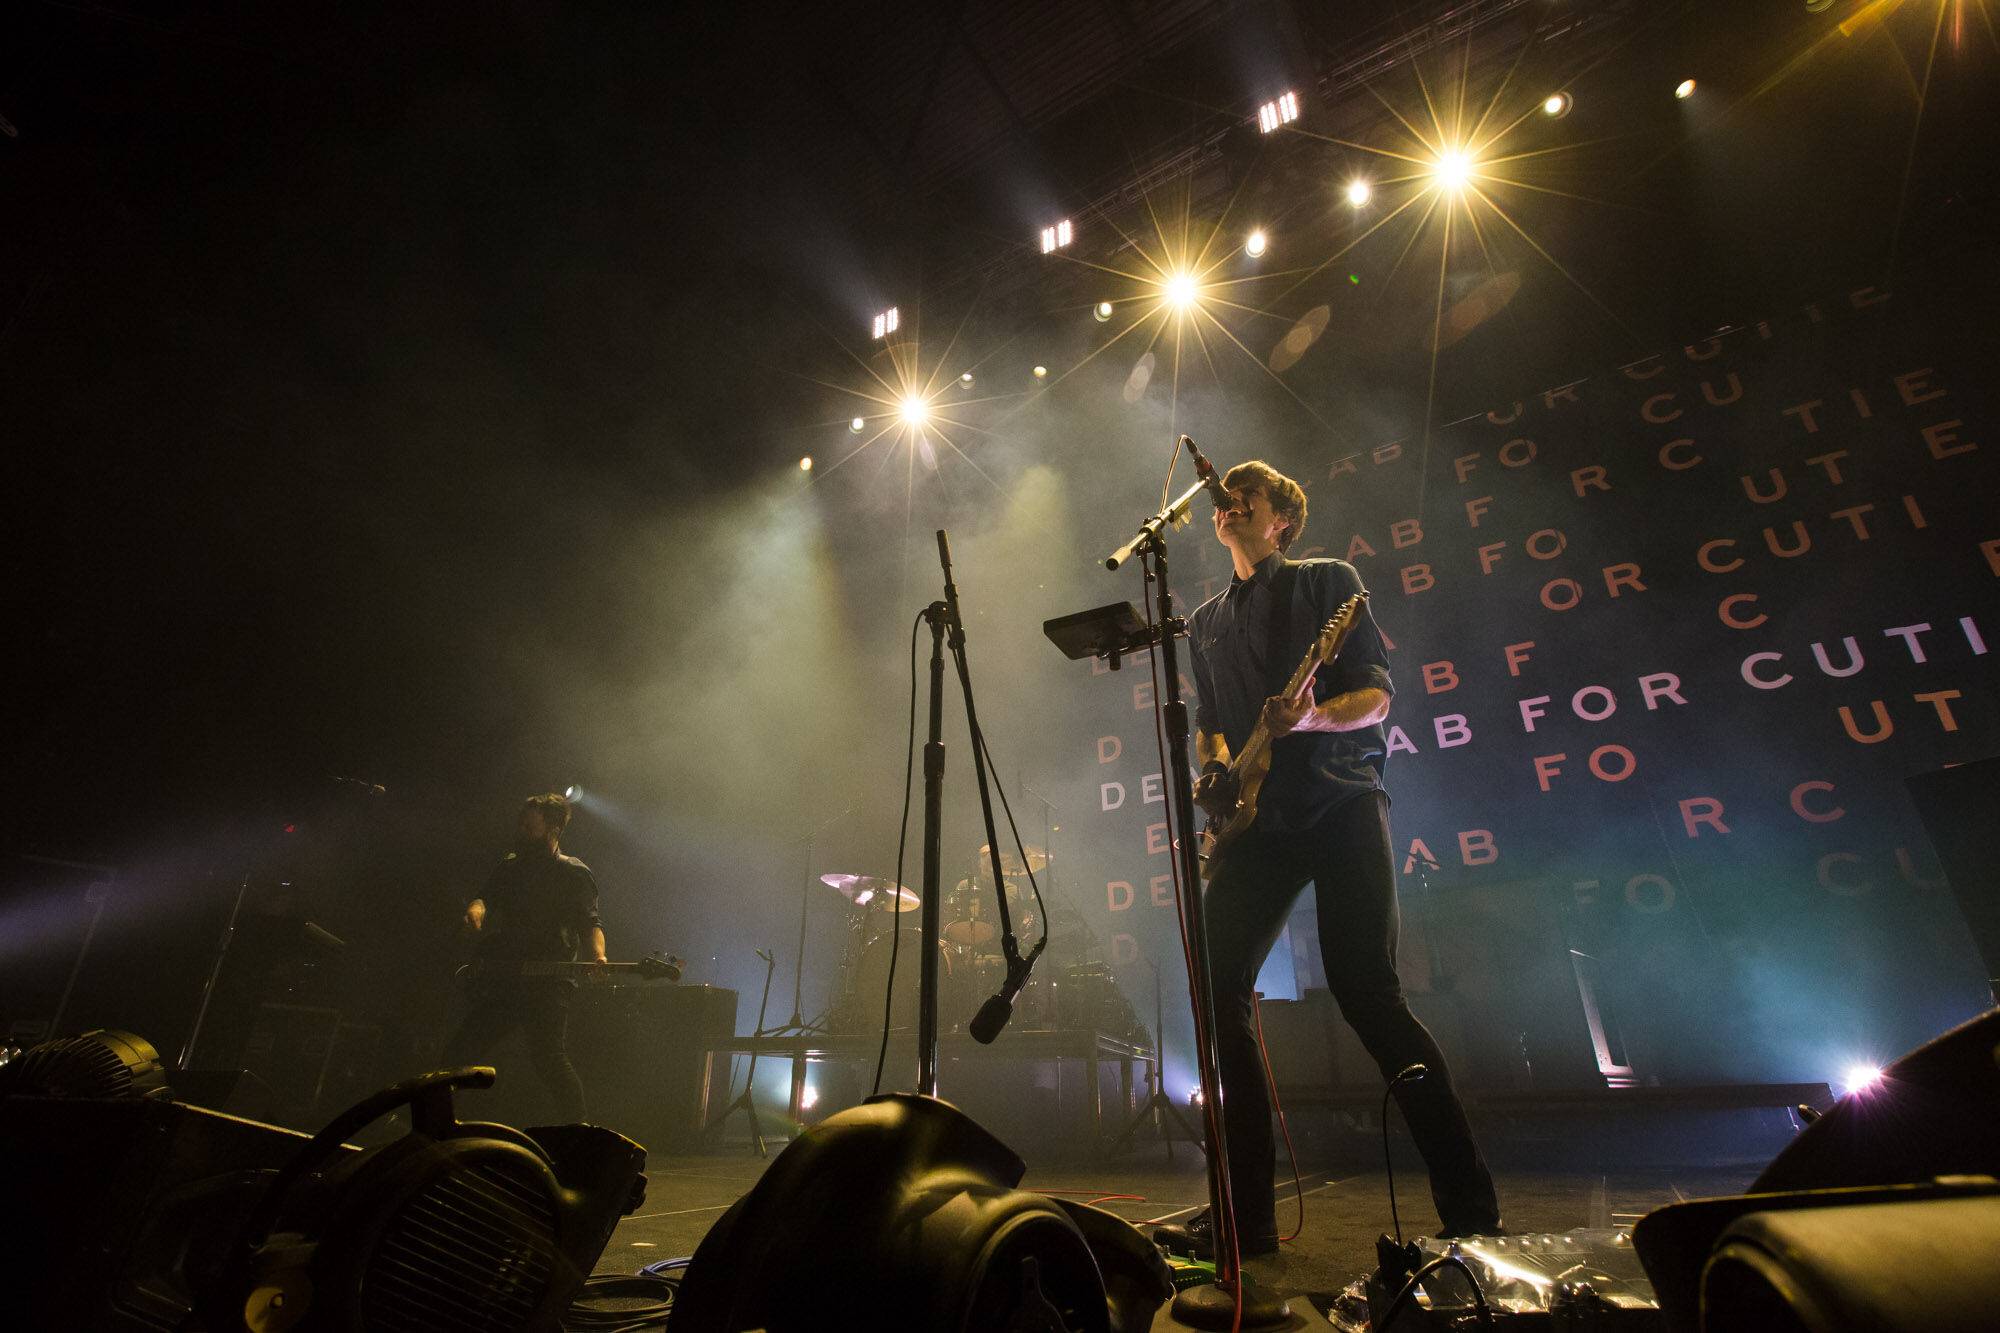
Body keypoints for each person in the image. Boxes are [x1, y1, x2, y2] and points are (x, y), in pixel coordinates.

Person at [1164, 460, 1500, 1258]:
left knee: (1367, 992)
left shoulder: (1328, 583)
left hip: (1341, 800)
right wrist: (1217, 769)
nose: (1230, 497)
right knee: (1217, 991)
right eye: (1226, 491)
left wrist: (1310, 718)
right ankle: (1248, 1218)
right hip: (1259, 822)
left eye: (1252, 491)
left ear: (1282, 518)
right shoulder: (1205, 619)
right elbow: (1209, 722)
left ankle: (1471, 1205)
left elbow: (1377, 695)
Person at [441, 792, 605, 1122]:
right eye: (523, 823)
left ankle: (579, 1132)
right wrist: (476, 909)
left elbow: (590, 924)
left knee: (549, 1060)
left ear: (554, 827)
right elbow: (484, 898)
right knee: (461, 1050)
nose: (522, 829)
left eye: (531, 825)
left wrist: (598, 956)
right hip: (508, 978)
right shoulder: (510, 866)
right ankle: (436, 1122)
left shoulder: (574, 874)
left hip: (548, 982)